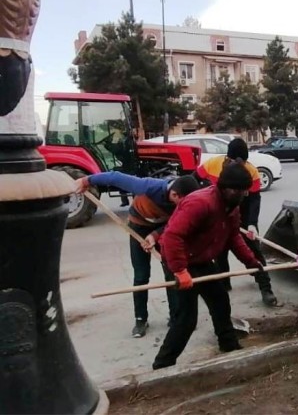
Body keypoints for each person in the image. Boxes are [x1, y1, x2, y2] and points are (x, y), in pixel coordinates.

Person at [152, 163, 264, 370]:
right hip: (180, 261)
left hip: (201, 259)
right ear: (224, 187)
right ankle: (162, 366)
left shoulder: (231, 206)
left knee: (220, 299)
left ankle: (228, 345)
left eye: (244, 191)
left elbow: (233, 237)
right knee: (187, 319)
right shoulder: (200, 203)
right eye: (238, 191)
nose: (242, 195)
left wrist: (252, 262)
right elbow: (172, 237)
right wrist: (179, 271)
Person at [76, 172, 200, 338]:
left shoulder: (186, 202)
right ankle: (141, 319)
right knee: (141, 276)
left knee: (172, 272)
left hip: (165, 229)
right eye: (183, 202)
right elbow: (114, 177)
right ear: (174, 194)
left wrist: (156, 235)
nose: (186, 206)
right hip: (138, 226)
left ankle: (176, 316)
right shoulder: (149, 186)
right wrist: (86, 180)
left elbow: (177, 222)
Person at [195, 138, 278, 306]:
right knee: (219, 253)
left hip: (243, 218)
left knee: (254, 251)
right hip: (217, 218)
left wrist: (252, 223)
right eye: (236, 160)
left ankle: (265, 287)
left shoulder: (251, 171)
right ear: (228, 158)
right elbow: (193, 178)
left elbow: (254, 199)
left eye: (243, 161)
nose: (240, 163)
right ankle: (224, 284)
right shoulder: (213, 164)